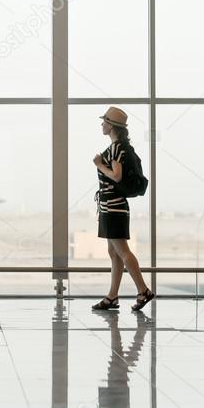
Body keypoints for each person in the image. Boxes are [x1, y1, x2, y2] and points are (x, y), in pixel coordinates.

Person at [91, 106, 154, 313]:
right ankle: (112, 296)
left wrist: (99, 165)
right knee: (114, 252)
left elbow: (116, 176)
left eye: (104, 121)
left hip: (114, 207)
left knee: (123, 251)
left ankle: (143, 290)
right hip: (111, 206)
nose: (102, 124)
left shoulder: (117, 147)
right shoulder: (119, 146)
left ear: (111, 126)